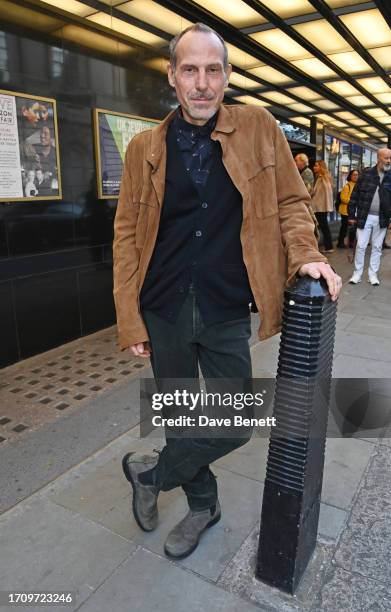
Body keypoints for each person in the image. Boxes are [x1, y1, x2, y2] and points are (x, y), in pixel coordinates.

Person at [113, 23, 342, 560]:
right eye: (189, 70)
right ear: (172, 76)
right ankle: (202, 506)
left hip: (223, 306)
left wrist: (307, 255)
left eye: (212, 70)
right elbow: (126, 233)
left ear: (228, 75)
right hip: (162, 305)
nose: (201, 82)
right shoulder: (145, 147)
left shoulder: (260, 127)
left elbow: (290, 203)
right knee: (177, 415)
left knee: (233, 420)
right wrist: (130, 316)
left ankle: (151, 475)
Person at [348, 148, 391, 285]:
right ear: (378, 158)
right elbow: (354, 196)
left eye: (390, 158)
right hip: (364, 216)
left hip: (382, 218)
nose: (389, 161)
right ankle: (357, 273)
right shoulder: (366, 174)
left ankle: (373, 275)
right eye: (386, 158)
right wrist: (351, 215)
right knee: (361, 246)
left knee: (377, 247)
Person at [311, 160, 334, 253]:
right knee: (323, 227)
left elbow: (317, 194)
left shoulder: (322, 178)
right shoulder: (324, 178)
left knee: (322, 227)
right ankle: (328, 246)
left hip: (320, 207)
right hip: (321, 207)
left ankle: (328, 247)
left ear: (321, 167)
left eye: (316, 166)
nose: (314, 167)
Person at [337, 169, 358, 249]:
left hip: (353, 211)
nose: (356, 176)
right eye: (354, 175)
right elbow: (343, 198)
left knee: (352, 228)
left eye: (357, 175)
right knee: (344, 228)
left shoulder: (357, 185)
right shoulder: (347, 186)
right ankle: (340, 243)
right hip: (345, 211)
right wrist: (353, 201)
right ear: (350, 176)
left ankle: (351, 243)